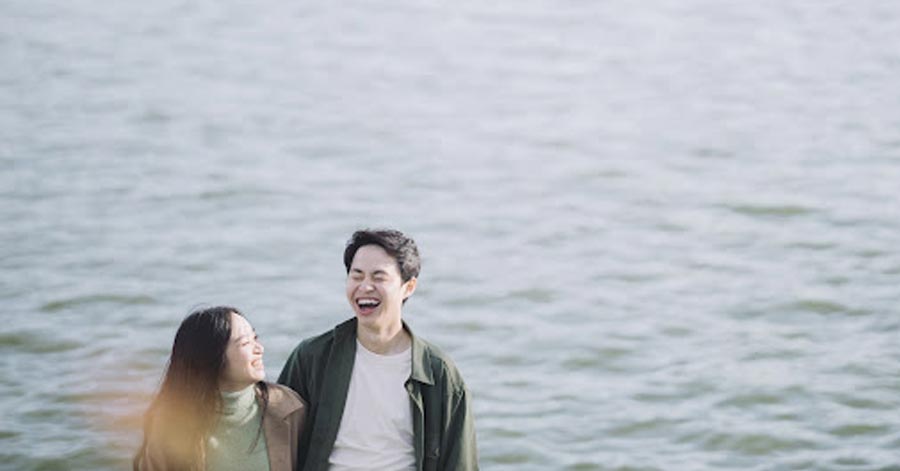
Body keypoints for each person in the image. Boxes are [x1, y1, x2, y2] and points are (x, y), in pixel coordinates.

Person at [279, 229, 478, 471]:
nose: (365, 287)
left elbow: (460, 463)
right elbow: (275, 436)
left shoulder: (439, 373)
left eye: (378, 277)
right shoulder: (312, 357)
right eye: (357, 275)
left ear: (409, 287)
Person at [134, 306, 306, 471]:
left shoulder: (288, 408)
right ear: (212, 357)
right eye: (245, 343)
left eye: (255, 338)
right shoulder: (170, 424)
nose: (259, 349)